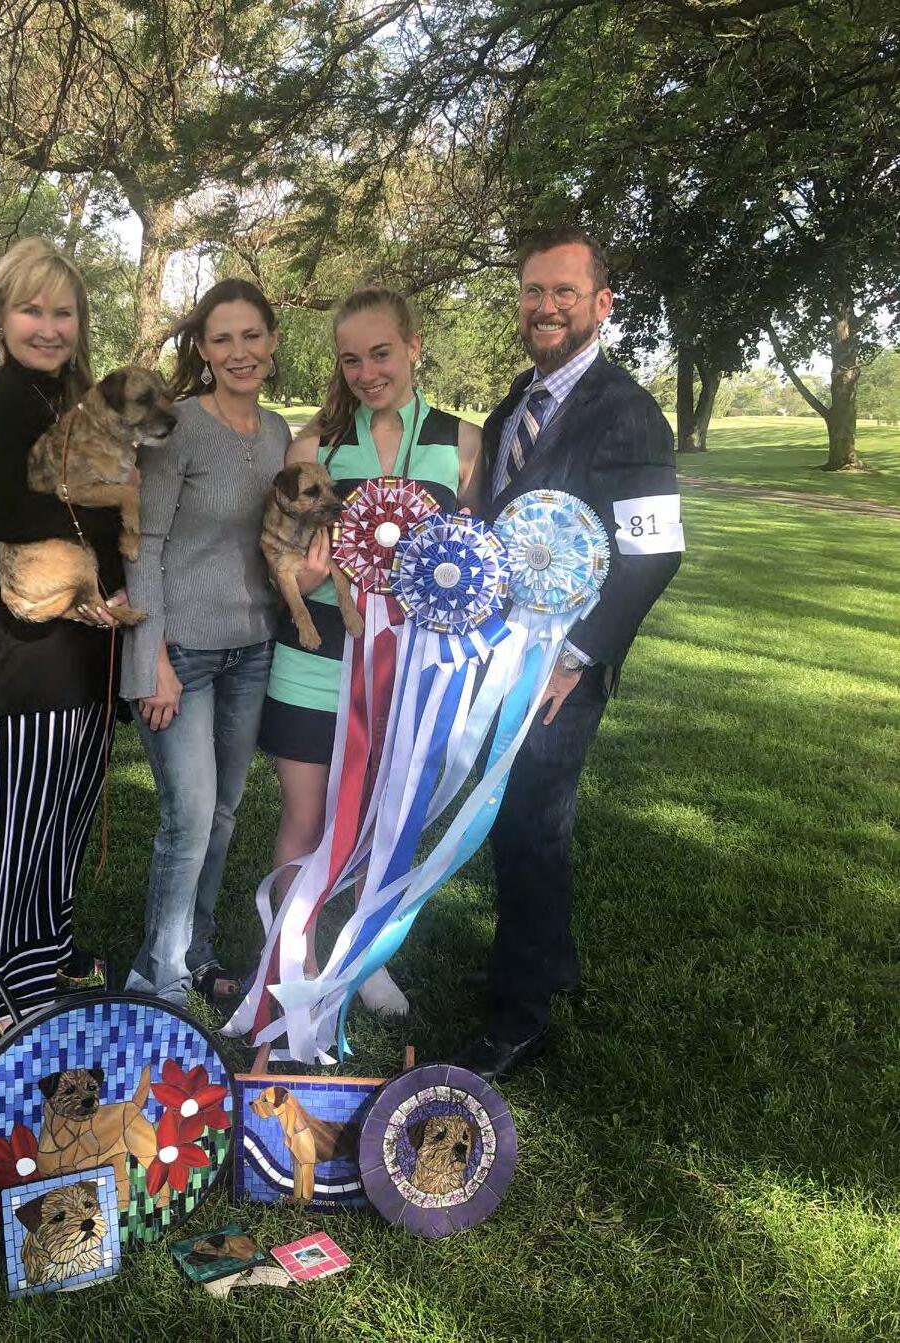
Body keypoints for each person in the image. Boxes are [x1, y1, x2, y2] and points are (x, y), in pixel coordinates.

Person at [457, 224, 684, 1082]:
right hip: (502, 650)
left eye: (563, 292)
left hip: (562, 665)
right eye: (533, 291)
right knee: (516, 817)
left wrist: (578, 655)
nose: (545, 306)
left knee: (531, 823)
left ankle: (520, 1017)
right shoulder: (520, 397)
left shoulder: (627, 410)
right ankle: (547, 963)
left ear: (601, 304)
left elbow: (653, 552)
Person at [258, 287, 484, 1015]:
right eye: (351, 359)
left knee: (383, 818)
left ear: (414, 347)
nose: (366, 372)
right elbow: (280, 561)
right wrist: (304, 576)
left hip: (409, 669)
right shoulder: (312, 447)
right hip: (314, 659)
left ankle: (363, 955)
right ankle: (296, 956)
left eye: (381, 353)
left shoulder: (464, 443)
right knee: (305, 817)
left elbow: (476, 561)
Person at [0, 236, 128, 1034]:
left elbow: (115, 505)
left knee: (69, 804)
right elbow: (8, 511)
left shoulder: (80, 401)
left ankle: (50, 948)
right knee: (23, 816)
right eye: (32, 310)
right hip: (33, 645)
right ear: (1, 317)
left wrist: (114, 582)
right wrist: (102, 528)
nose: (49, 327)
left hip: (92, 637)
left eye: (64, 313)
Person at [122, 279, 290, 1007]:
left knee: (222, 814)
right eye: (222, 338)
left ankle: (196, 949)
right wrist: (150, 658)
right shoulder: (179, 427)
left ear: (272, 341)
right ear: (203, 348)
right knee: (188, 816)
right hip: (180, 654)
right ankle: (157, 978)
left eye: (251, 335)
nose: (239, 351)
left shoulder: (279, 433)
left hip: (252, 650)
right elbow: (142, 544)